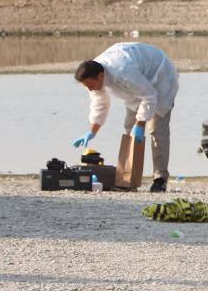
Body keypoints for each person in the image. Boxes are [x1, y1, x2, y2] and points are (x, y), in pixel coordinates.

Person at [71, 42, 179, 192]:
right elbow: (99, 103)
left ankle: (160, 179)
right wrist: (92, 131)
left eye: (90, 85)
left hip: (159, 77)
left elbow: (149, 96)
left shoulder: (123, 72)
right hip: (137, 85)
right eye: (86, 87)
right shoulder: (95, 73)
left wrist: (140, 125)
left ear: (100, 76)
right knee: (129, 127)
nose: (89, 89)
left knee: (156, 130)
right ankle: (129, 179)